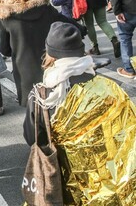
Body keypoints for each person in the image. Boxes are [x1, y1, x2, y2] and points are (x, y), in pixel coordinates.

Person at [23, 22, 134, 204]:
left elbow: (32, 137)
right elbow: (127, 131)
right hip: (106, 178)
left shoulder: (42, 96)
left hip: (64, 181)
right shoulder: (108, 88)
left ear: (51, 54)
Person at [0, 0, 80, 106]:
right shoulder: (45, 8)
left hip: (25, 71)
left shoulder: (6, 18)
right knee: (57, 107)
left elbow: (5, 50)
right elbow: (70, 25)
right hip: (51, 64)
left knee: (33, 112)